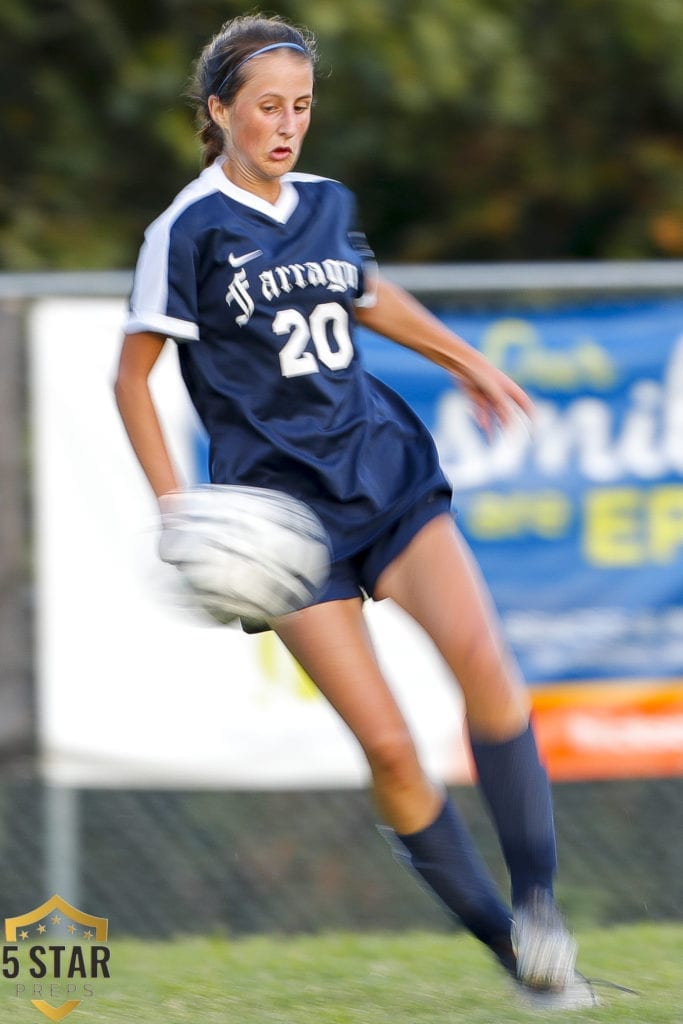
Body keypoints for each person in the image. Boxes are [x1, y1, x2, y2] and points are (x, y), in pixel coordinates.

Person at [114, 12, 595, 1009]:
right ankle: (516, 956)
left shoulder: (326, 201)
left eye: (300, 106)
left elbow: (363, 292)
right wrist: (175, 507)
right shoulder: (188, 228)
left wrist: (463, 360)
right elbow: (132, 379)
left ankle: (541, 903)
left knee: (487, 669)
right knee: (386, 748)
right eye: (265, 107)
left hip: (384, 477)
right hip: (284, 530)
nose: (287, 125)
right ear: (219, 111)